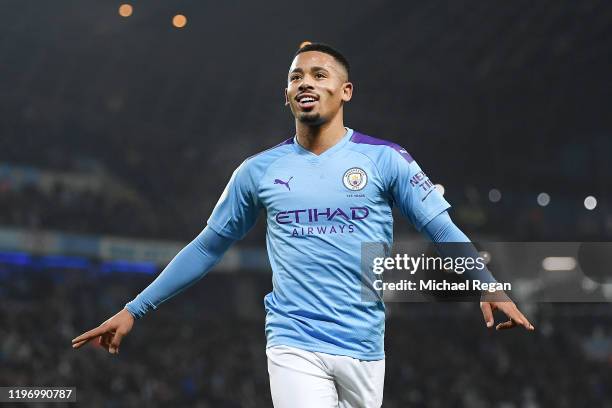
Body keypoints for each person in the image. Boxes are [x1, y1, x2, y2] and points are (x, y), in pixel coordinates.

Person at [72, 42, 534, 408]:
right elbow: (208, 246)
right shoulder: (257, 171)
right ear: (287, 94)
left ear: (346, 90)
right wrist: (135, 308)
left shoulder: (385, 160)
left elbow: (442, 229)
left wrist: (488, 285)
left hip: (365, 346)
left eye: (318, 74)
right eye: (296, 77)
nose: (305, 82)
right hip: (293, 341)